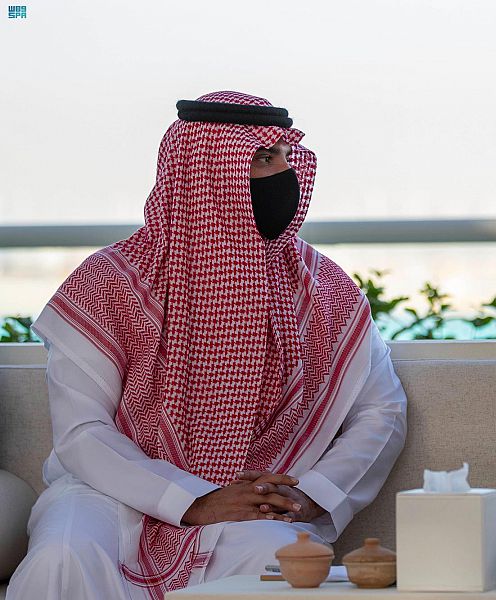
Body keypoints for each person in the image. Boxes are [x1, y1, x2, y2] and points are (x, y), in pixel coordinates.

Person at [8, 91, 408, 600]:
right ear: (207, 173)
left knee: (278, 566)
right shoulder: (110, 281)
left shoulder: (322, 287)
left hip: (251, 504)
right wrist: (193, 500)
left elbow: (381, 410)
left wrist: (311, 495)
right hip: (107, 496)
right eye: (264, 158)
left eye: (286, 156)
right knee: (63, 556)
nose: (284, 173)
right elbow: (83, 432)